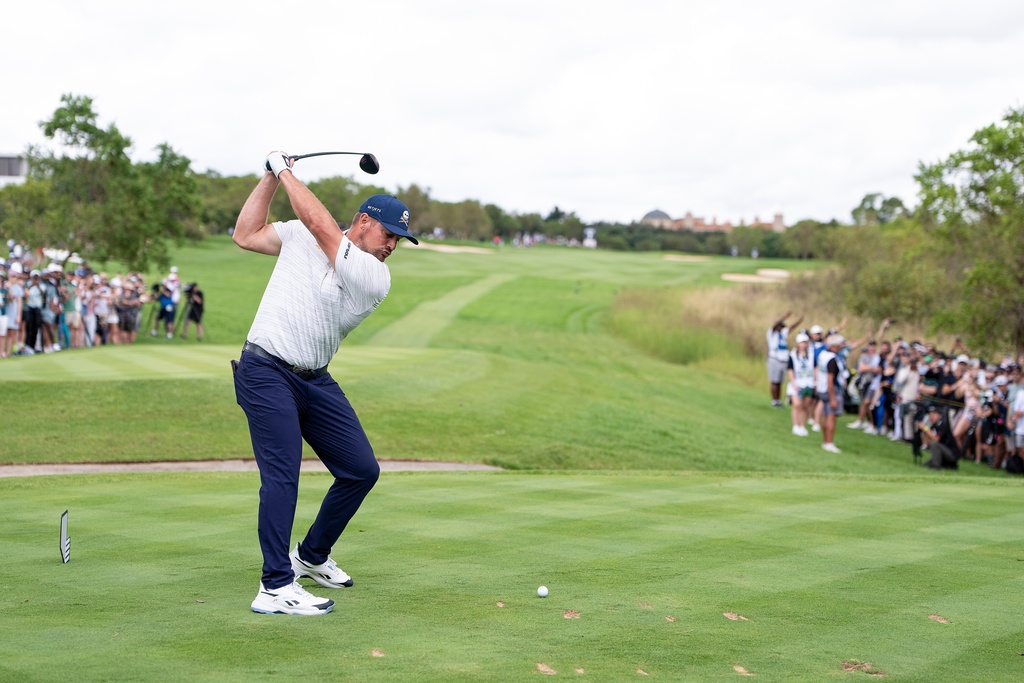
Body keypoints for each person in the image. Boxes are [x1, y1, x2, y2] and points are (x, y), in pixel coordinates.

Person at [232, 151, 418, 616]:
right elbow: (246, 235)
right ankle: (275, 587)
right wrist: (270, 177)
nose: (393, 245)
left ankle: (310, 557)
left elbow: (320, 226)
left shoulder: (374, 275)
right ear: (363, 221)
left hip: (314, 380)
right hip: (265, 370)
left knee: (361, 470)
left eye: (400, 239)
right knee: (283, 476)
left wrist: (286, 168)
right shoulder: (299, 236)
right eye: (389, 234)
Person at [816, 334, 847, 453]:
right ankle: (829, 442)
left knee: (826, 415)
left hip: (822, 388)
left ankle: (825, 441)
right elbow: (830, 379)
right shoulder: (832, 359)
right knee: (831, 417)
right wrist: (833, 397)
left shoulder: (823, 355)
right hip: (831, 389)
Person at [766, 311, 803, 407]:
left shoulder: (783, 334)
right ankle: (775, 401)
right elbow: (775, 325)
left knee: (780, 381)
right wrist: (785, 317)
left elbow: (791, 327)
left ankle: (779, 400)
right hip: (774, 359)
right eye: (781, 326)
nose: (782, 328)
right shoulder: (771, 333)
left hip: (783, 360)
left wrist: (800, 320)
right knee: (775, 381)